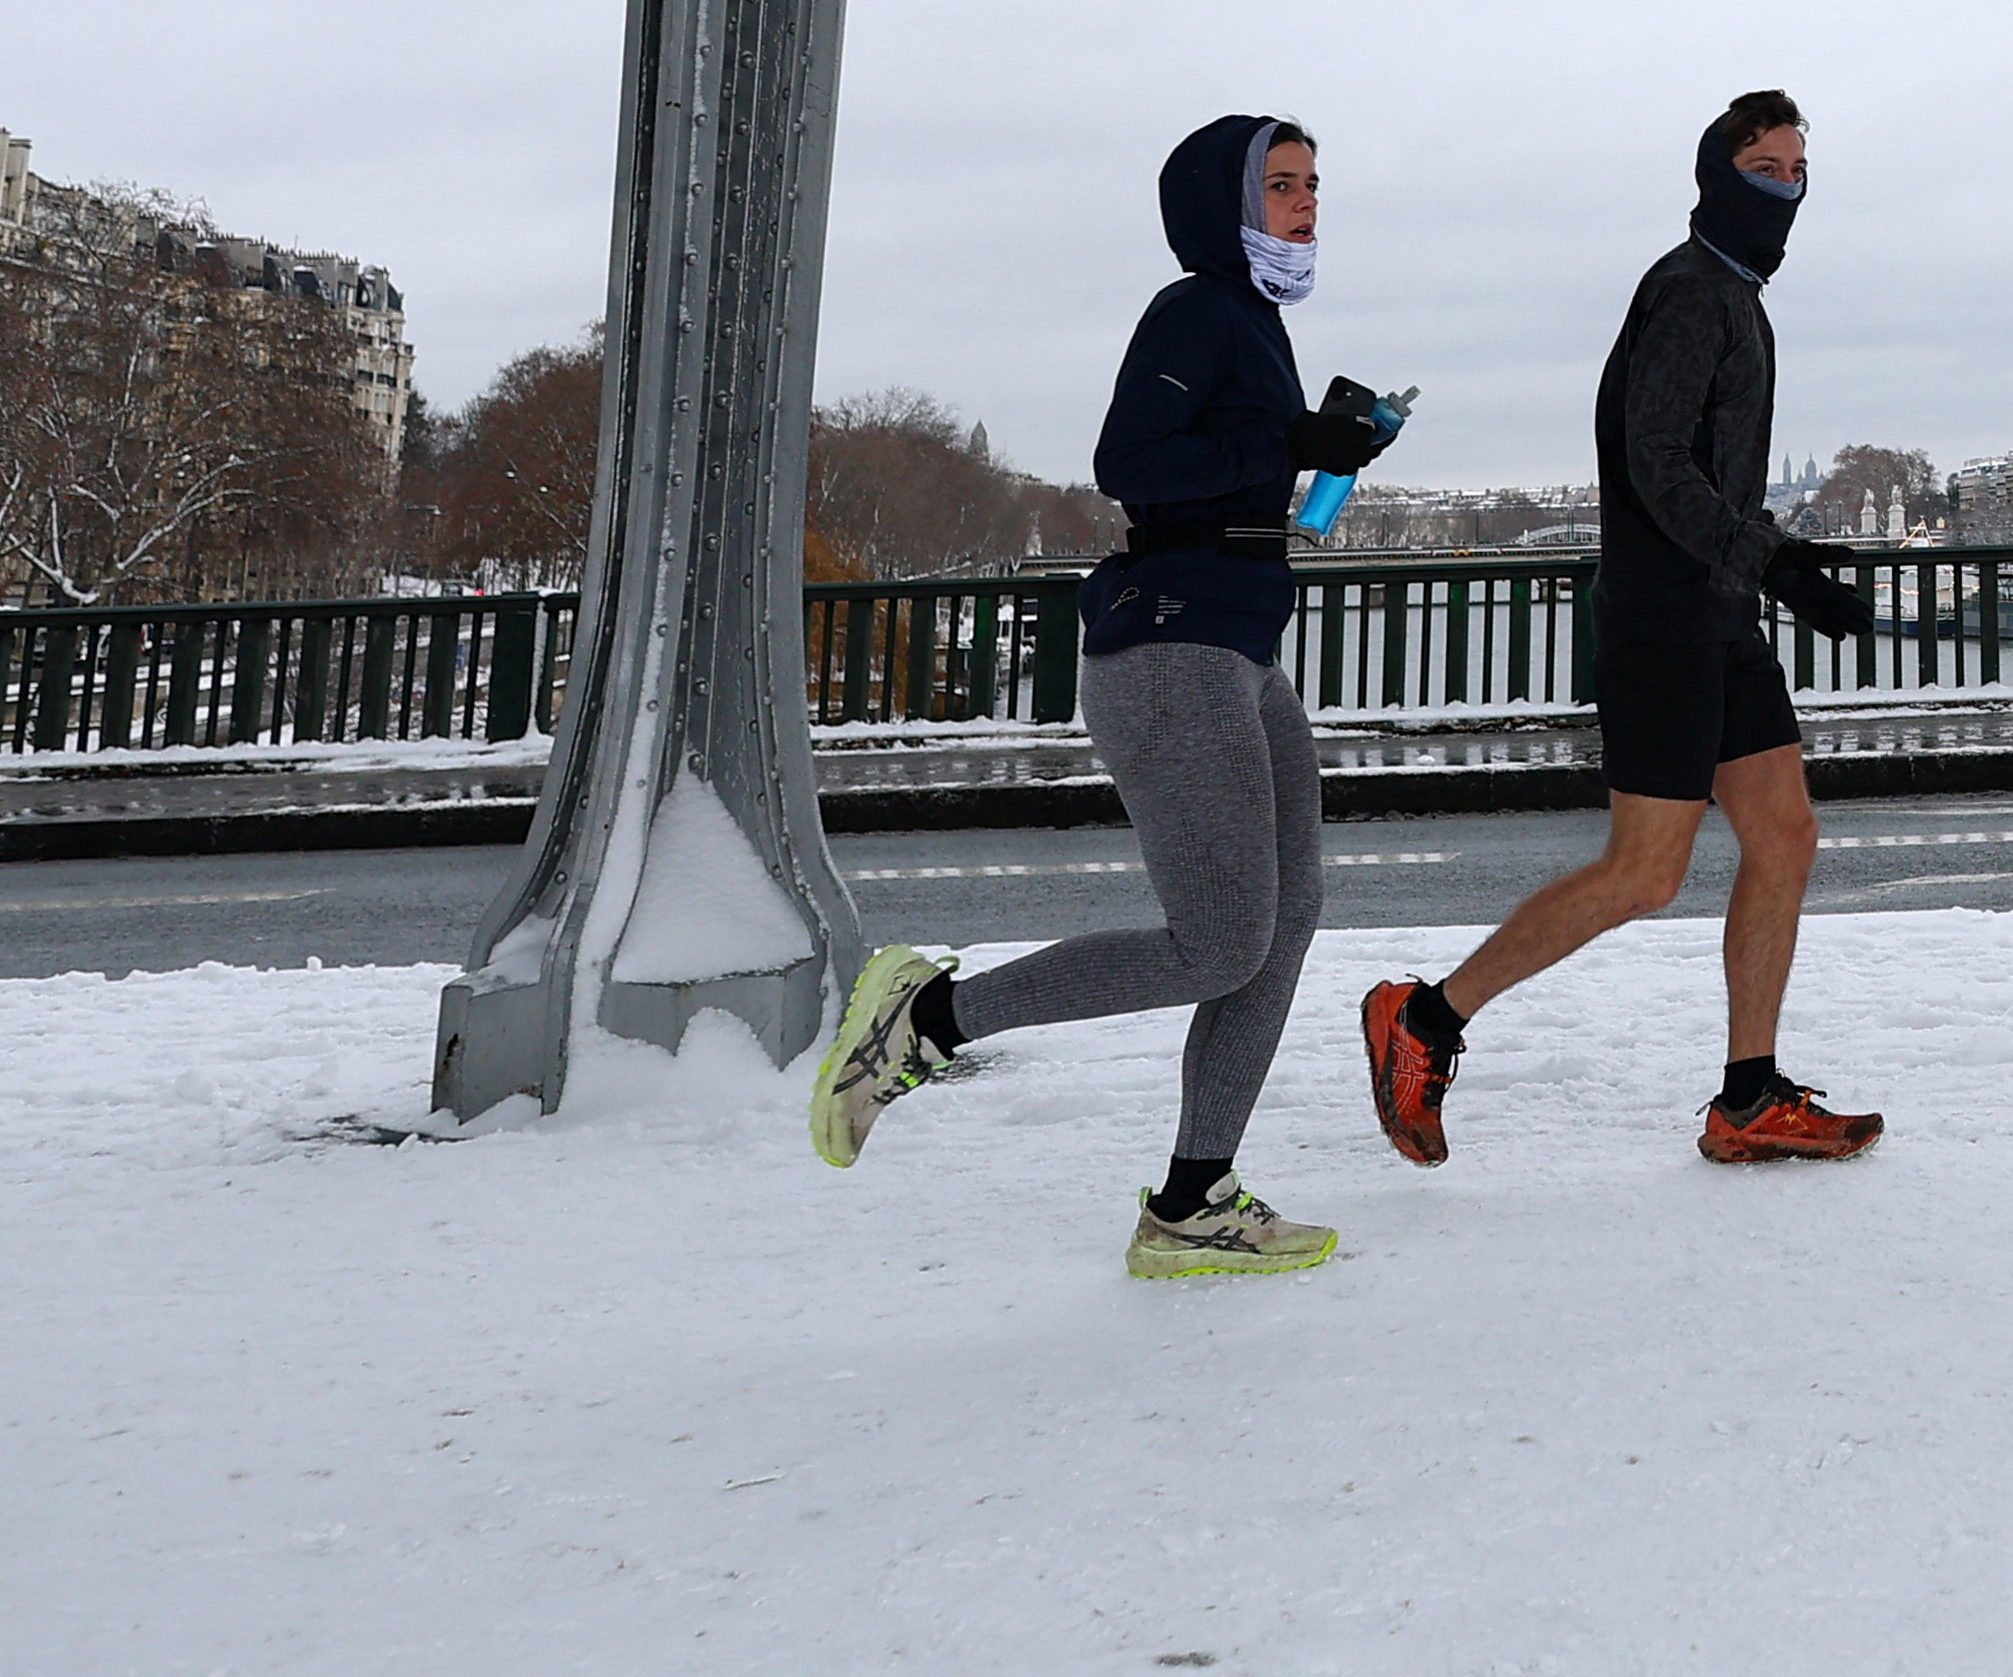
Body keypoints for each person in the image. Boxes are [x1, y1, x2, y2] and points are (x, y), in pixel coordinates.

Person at [808, 111, 1402, 1277]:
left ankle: (1193, 1197)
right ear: (1223, 205)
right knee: (1219, 940)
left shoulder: (1258, 322)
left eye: (1314, 186)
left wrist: (1314, 443)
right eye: (1281, 185)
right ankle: (922, 1022)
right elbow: (1129, 463)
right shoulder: (1194, 311)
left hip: (1237, 642)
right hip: (1171, 644)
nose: (1306, 204)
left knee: (1286, 918)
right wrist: (1286, 435)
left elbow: (1233, 464)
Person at [1363, 89, 1885, 1170]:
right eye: (1765, 168)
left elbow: (1711, 471)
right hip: (1663, 619)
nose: (1784, 188)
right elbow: (1654, 464)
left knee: (1784, 834)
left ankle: (1748, 1095)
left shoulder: (1738, 295)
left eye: (1798, 172)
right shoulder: (1692, 292)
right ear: (1715, 174)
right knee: (1645, 873)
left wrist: (1766, 564)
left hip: (1719, 612)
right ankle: (1426, 1019)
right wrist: (1774, 559)